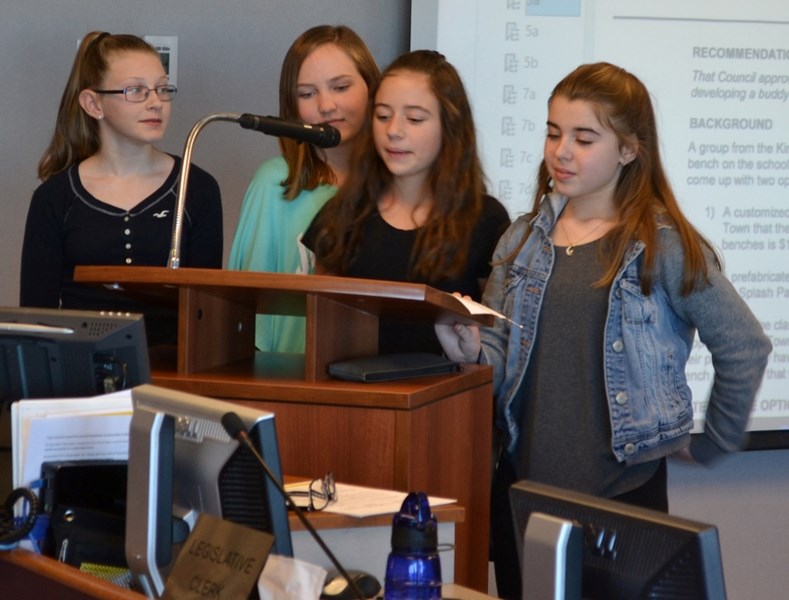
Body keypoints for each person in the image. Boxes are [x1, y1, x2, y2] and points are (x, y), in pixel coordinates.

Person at [435, 62, 772, 599]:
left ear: (629, 150)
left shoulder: (662, 245)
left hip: (621, 496)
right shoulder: (520, 241)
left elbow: (745, 345)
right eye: (553, 132)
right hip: (524, 494)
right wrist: (473, 349)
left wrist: (715, 441)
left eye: (584, 137)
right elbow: (503, 360)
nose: (561, 150)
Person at [20, 31, 223, 346]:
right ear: (93, 103)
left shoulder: (198, 188)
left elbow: (207, 314)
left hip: (176, 377)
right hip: (82, 377)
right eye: (136, 90)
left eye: (161, 89)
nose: (155, 102)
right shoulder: (54, 198)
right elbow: (36, 321)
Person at [303, 50, 511, 355]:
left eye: (414, 118)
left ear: (450, 126)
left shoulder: (485, 220)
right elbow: (323, 326)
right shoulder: (342, 213)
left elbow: (498, 344)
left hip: (448, 398)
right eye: (383, 116)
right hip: (356, 397)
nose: (394, 132)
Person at [228, 25, 379, 353]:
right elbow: (243, 304)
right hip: (290, 376)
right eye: (307, 94)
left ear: (372, 87)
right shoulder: (275, 182)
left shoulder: (397, 189)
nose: (326, 106)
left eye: (341, 87)